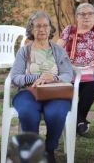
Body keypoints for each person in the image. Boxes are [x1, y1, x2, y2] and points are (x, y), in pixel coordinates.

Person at [11, 11, 74, 163]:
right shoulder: (24, 51)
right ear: (31, 29)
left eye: (45, 26)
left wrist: (53, 77)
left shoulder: (58, 50)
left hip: (55, 92)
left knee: (56, 114)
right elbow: (15, 77)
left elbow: (68, 74)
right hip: (29, 92)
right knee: (27, 113)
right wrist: (37, 77)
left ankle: (49, 149)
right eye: (37, 26)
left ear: (50, 29)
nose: (42, 29)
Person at [57, 2, 94, 135]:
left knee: (92, 83)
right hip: (70, 69)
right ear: (77, 17)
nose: (86, 17)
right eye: (82, 14)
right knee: (64, 84)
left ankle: (78, 119)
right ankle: (80, 121)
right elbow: (57, 49)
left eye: (90, 14)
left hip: (91, 70)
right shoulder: (70, 30)